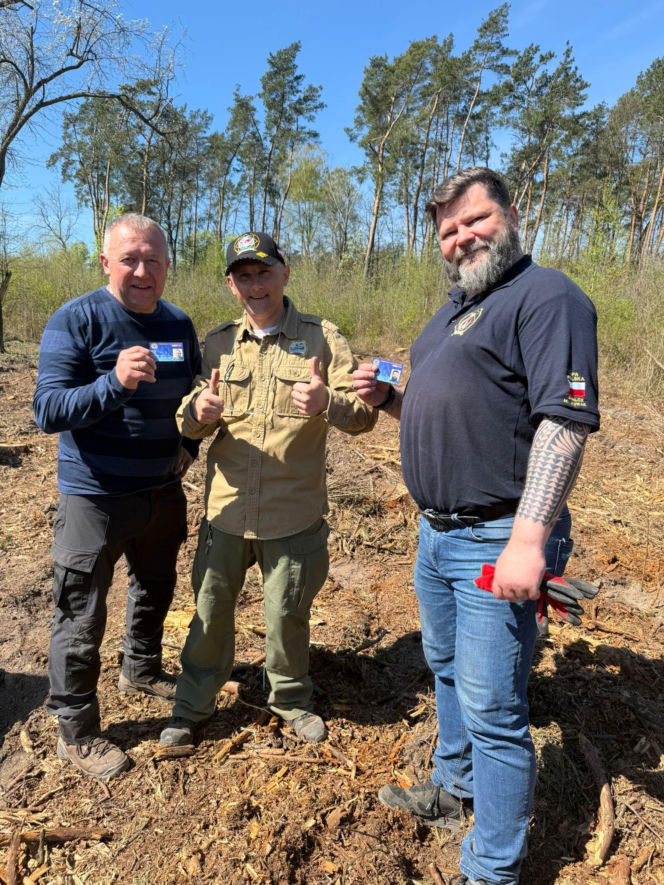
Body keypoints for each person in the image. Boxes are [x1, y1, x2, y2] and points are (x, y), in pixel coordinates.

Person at [352, 168, 599, 885]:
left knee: (494, 706)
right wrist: (391, 399)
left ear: (512, 215)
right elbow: (449, 410)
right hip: (437, 535)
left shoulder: (547, 297)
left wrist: (528, 540)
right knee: (447, 668)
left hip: (499, 536)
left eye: (475, 219)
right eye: (448, 229)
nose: (462, 237)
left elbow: (564, 422)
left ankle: (491, 868)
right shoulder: (453, 311)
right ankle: (455, 786)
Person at [159, 232, 377, 748]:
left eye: (264, 273)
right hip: (227, 512)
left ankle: (292, 700)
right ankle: (192, 705)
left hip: (292, 514)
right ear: (230, 285)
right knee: (210, 612)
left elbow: (364, 415)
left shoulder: (323, 338)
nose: (255, 285)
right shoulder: (217, 343)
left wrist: (328, 404)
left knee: (286, 615)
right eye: (244, 276)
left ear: (284, 273)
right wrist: (196, 413)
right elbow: (190, 419)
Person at [33, 214, 201, 781]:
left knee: (156, 587)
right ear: (106, 262)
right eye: (129, 258)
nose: (142, 270)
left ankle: (141, 669)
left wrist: (189, 445)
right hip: (95, 496)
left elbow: (194, 398)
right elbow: (47, 410)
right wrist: (114, 382)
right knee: (80, 613)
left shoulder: (179, 324)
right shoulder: (76, 319)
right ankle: (76, 730)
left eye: (153, 259)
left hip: (162, 491)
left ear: (167, 265)